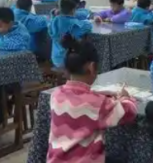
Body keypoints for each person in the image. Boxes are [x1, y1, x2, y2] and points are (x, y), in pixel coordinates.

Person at [46, 35, 137, 163]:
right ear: (92, 67)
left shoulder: (56, 95)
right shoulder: (97, 104)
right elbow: (129, 112)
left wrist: (99, 95)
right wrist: (125, 97)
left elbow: (79, 99)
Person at [49, 0, 92, 67]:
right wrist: (86, 21)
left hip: (55, 57)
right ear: (73, 10)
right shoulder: (72, 23)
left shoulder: (54, 20)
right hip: (67, 60)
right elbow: (88, 26)